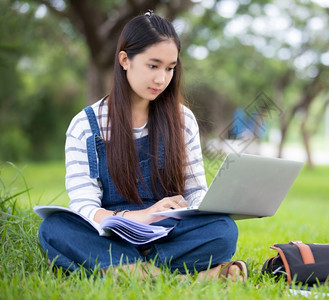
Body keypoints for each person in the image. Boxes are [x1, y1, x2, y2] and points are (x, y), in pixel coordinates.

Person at [38, 10, 247, 281]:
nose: (162, 79)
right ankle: (183, 277)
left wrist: (206, 208)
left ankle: (127, 271)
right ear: (125, 60)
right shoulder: (85, 126)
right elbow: (84, 207)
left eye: (170, 68)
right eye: (153, 65)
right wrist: (140, 217)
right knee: (55, 229)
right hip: (112, 233)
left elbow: (195, 191)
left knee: (223, 230)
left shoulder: (182, 119)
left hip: (168, 231)